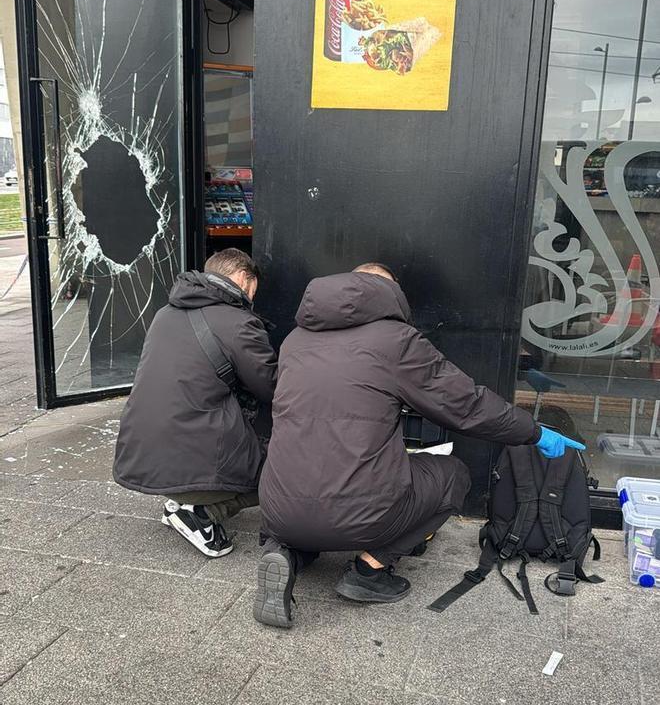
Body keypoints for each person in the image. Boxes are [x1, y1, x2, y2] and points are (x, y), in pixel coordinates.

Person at [253, 263, 584, 628]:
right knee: (452, 474)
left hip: (277, 508)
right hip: (358, 516)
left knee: (316, 496)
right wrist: (534, 432)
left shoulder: (295, 340)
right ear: (388, 294)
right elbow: (467, 405)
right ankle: (369, 571)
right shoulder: (395, 340)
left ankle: (285, 553)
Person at [114, 248, 277, 558]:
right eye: (255, 287)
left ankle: (183, 497)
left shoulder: (165, 313)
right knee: (282, 471)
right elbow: (271, 386)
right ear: (245, 279)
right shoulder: (238, 322)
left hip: (144, 451)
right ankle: (200, 514)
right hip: (188, 452)